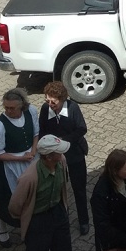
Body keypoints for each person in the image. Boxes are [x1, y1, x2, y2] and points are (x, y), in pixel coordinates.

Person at [8, 135, 78, 251]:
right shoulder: (29, 178)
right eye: (58, 151)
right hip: (38, 220)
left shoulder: (61, 161)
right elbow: (14, 206)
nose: (62, 153)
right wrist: (26, 218)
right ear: (49, 157)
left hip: (58, 213)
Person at [0, 88, 40, 248]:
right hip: (9, 166)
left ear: (21, 106)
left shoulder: (31, 111)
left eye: (12, 108)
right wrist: (20, 158)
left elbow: (36, 134)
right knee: (8, 198)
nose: (8, 111)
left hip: (31, 160)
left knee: (33, 196)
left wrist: (33, 151)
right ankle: (3, 228)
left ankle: (30, 228)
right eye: (6, 107)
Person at [38, 81, 90, 235]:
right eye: (47, 101)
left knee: (79, 189)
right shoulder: (45, 109)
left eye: (53, 102)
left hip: (74, 154)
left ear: (62, 99)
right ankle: (61, 220)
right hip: (55, 157)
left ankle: (84, 220)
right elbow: (42, 130)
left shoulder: (73, 108)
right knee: (58, 189)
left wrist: (63, 141)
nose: (50, 104)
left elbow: (82, 128)